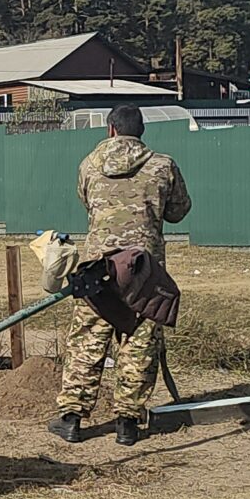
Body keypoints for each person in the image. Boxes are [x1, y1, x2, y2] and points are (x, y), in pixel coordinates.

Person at [52, 105, 191, 447]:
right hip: (145, 273)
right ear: (141, 131)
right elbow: (178, 211)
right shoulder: (163, 166)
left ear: (110, 129)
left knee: (87, 340)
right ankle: (127, 422)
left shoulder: (88, 165)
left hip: (98, 271)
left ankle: (72, 418)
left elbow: (87, 202)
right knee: (139, 342)